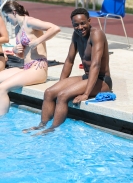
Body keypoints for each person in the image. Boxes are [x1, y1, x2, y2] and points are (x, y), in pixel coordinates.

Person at [23, 8, 112, 136]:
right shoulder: (76, 35)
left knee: (63, 95)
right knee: (49, 92)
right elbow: (69, 61)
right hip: (87, 76)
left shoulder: (97, 34)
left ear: (89, 21)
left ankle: (52, 129)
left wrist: (86, 94)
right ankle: (41, 125)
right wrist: (60, 84)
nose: (80, 27)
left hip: (102, 80)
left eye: (83, 23)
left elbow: (96, 65)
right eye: (76, 25)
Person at [0, 0, 60, 116]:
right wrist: (16, 51)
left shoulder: (30, 22)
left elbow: (55, 28)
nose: (7, 21)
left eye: (7, 17)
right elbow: (23, 55)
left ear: (13, 12)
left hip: (38, 69)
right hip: (27, 68)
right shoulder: (18, 28)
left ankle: (2, 123)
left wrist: (39, 40)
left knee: (2, 88)